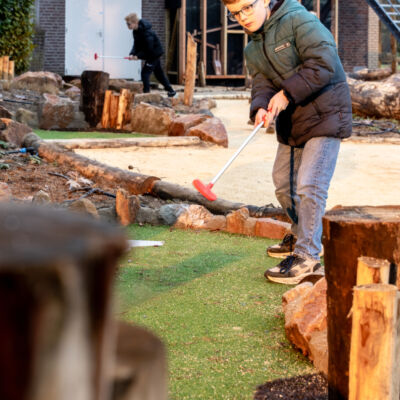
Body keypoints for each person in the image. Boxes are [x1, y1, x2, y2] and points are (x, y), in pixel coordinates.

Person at [222, 0, 352, 284]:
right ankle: (301, 233)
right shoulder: (253, 47)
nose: (242, 17)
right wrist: (260, 106)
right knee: (283, 184)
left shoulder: (298, 20)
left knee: (310, 185)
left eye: (247, 7)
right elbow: (262, 81)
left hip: (327, 114)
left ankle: (308, 256)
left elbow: (324, 62)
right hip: (293, 122)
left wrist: (285, 94)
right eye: (235, 13)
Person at [125, 13, 176, 97]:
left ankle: (146, 95)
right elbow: (136, 45)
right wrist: (132, 54)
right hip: (150, 53)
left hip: (153, 54)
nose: (127, 26)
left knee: (145, 74)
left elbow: (149, 49)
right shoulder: (135, 32)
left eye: (128, 24)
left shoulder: (147, 32)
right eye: (127, 24)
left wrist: (138, 56)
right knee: (159, 74)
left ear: (135, 22)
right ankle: (171, 91)